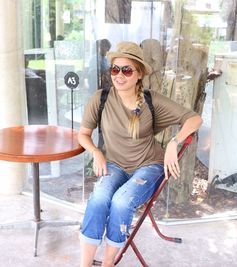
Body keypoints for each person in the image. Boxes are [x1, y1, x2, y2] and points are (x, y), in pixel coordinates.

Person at [78, 41, 202, 266]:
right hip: (114, 165)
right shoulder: (101, 99)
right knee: (98, 199)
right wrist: (96, 152)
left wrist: (174, 142)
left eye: (127, 70)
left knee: (122, 202)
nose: (119, 75)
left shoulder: (151, 101)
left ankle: (108, 264)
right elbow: (83, 134)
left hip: (148, 166)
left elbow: (194, 119)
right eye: (115, 69)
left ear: (139, 74)